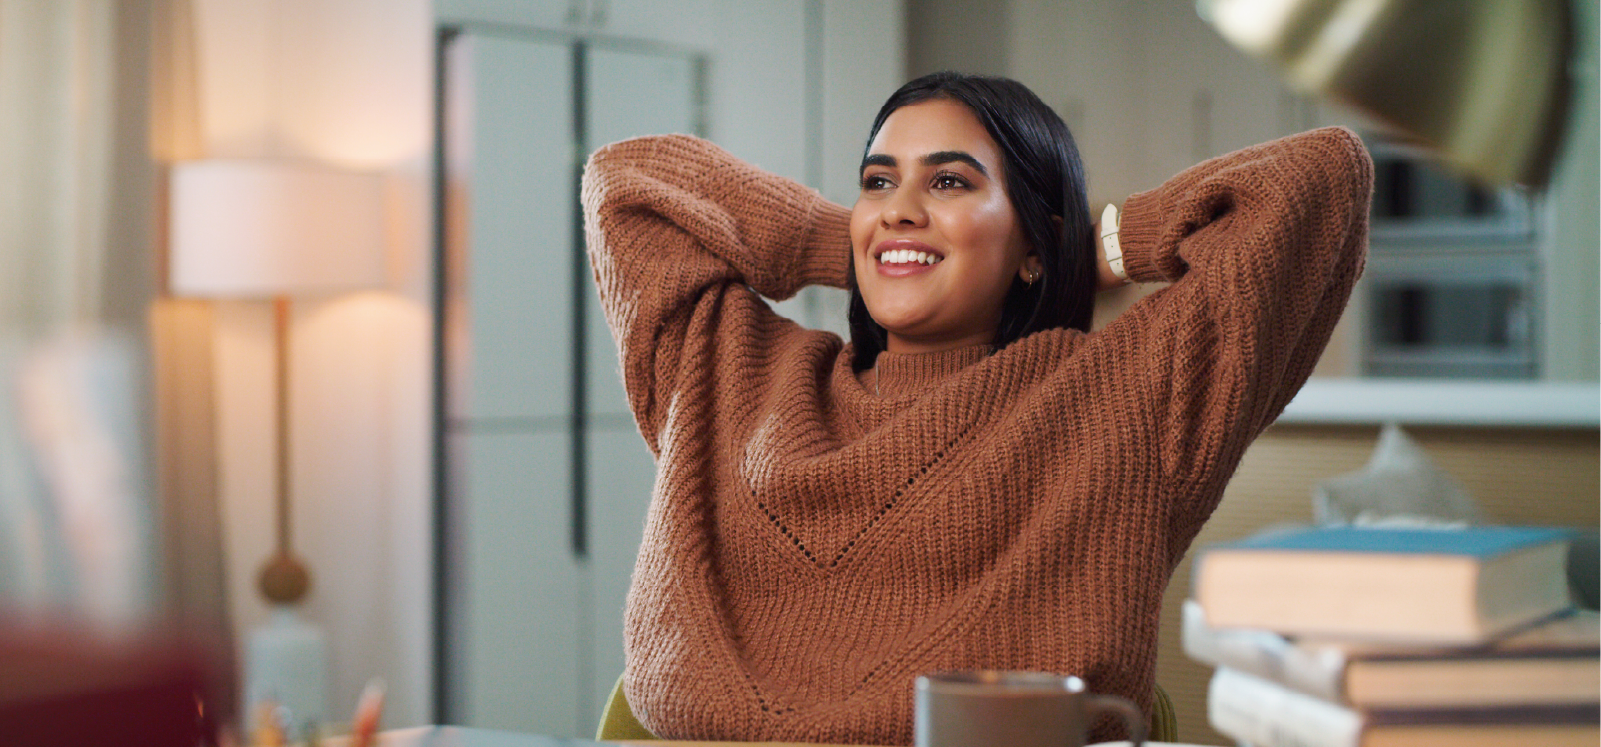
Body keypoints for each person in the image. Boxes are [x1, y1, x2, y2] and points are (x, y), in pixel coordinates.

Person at [580, 71, 1371, 745]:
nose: (897, 205)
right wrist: (860, 246)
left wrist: (1092, 247)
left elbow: (1322, 174)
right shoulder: (731, 373)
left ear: (1032, 244)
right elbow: (625, 183)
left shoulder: (1126, 399)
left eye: (949, 181)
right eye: (878, 181)